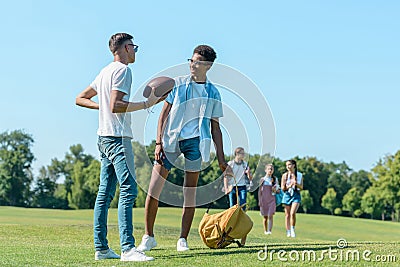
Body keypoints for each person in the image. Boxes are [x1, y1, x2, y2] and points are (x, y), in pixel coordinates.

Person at [137, 45, 232, 252]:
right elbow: (163, 113)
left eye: (197, 61)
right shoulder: (178, 84)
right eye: (191, 60)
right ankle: (148, 236)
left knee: (190, 194)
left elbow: (216, 128)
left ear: (207, 66)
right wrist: (158, 142)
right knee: (153, 190)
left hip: (195, 144)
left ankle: (182, 239)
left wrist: (222, 160)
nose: (192, 64)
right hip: (170, 141)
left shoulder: (213, 92)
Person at [75, 33, 159, 261]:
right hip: (117, 138)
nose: (135, 51)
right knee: (129, 189)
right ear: (123, 48)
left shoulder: (104, 72)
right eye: (133, 46)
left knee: (104, 193)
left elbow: (80, 98)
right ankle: (128, 248)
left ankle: (101, 249)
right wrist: (145, 104)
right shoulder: (123, 70)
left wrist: (101, 107)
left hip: (103, 137)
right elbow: (116, 105)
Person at [223, 147, 253, 246]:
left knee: (243, 205)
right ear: (237, 154)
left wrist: (249, 174)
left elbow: (250, 177)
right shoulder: (231, 164)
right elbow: (226, 176)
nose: (244, 155)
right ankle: (231, 225)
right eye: (242, 154)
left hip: (242, 187)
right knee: (232, 207)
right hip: (232, 187)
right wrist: (226, 188)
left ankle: (242, 221)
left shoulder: (245, 164)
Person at [281, 159, 303, 238]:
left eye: (289, 165)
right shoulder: (285, 175)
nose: (288, 167)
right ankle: (288, 231)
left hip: (296, 194)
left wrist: (296, 184)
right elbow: (282, 188)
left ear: (294, 165)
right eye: (287, 165)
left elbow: (302, 187)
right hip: (287, 194)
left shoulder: (299, 175)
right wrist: (289, 185)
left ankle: (293, 229)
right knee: (287, 215)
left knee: (292, 213)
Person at [258, 164, 279, 235]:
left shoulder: (275, 179)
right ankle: (265, 231)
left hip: (272, 199)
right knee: (265, 217)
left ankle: (269, 231)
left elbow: (278, 191)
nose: (270, 170)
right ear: (265, 170)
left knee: (270, 215)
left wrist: (274, 188)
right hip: (264, 200)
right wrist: (259, 201)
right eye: (269, 169)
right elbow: (259, 191)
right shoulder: (262, 180)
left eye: (271, 169)